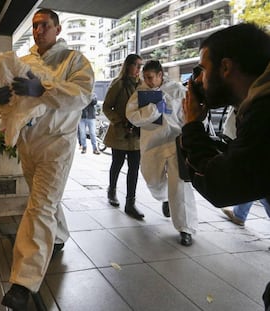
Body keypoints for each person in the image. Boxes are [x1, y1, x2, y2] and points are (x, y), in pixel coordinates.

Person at [0, 8, 94, 310]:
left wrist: (43, 89)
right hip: (29, 144)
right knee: (44, 200)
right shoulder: (24, 62)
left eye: (44, 25)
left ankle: (23, 283)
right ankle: (59, 235)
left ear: (58, 28)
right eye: (35, 26)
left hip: (56, 146)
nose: (38, 30)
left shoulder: (74, 61)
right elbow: (10, 100)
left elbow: (82, 95)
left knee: (39, 207)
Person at [179, 23, 270, 310]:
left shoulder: (264, 110)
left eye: (203, 70)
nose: (200, 81)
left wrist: (192, 124)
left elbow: (221, 185)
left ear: (226, 67)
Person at [126, 60, 198, 246]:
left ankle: (186, 228)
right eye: (145, 78)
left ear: (160, 75)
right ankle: (165, 198)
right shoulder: (140, 93)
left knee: (180, 185)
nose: (147, 81)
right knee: (153, 179)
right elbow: (133, 116)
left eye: (151, 78)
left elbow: (189, 113)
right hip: (152, 144)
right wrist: (155, 107)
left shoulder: (176, 90)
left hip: (175, 143)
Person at [102, 54, 143, 219]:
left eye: (141, 66)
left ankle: (130, 203)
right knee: (117, 164)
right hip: (120, 133)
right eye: (136, 65)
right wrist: (120, 121)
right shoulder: (118, 84)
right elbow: (106, 107)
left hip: (136, 135)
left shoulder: (143, 86)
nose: (139, 69)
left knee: (134, 169)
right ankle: (111, 191)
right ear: (128, 66)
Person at [219, 107, 270, 226]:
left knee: (258, 183)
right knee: (251, 177)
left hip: (247, 134)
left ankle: (239, 214)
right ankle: (239, 214)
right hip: (245, 133)